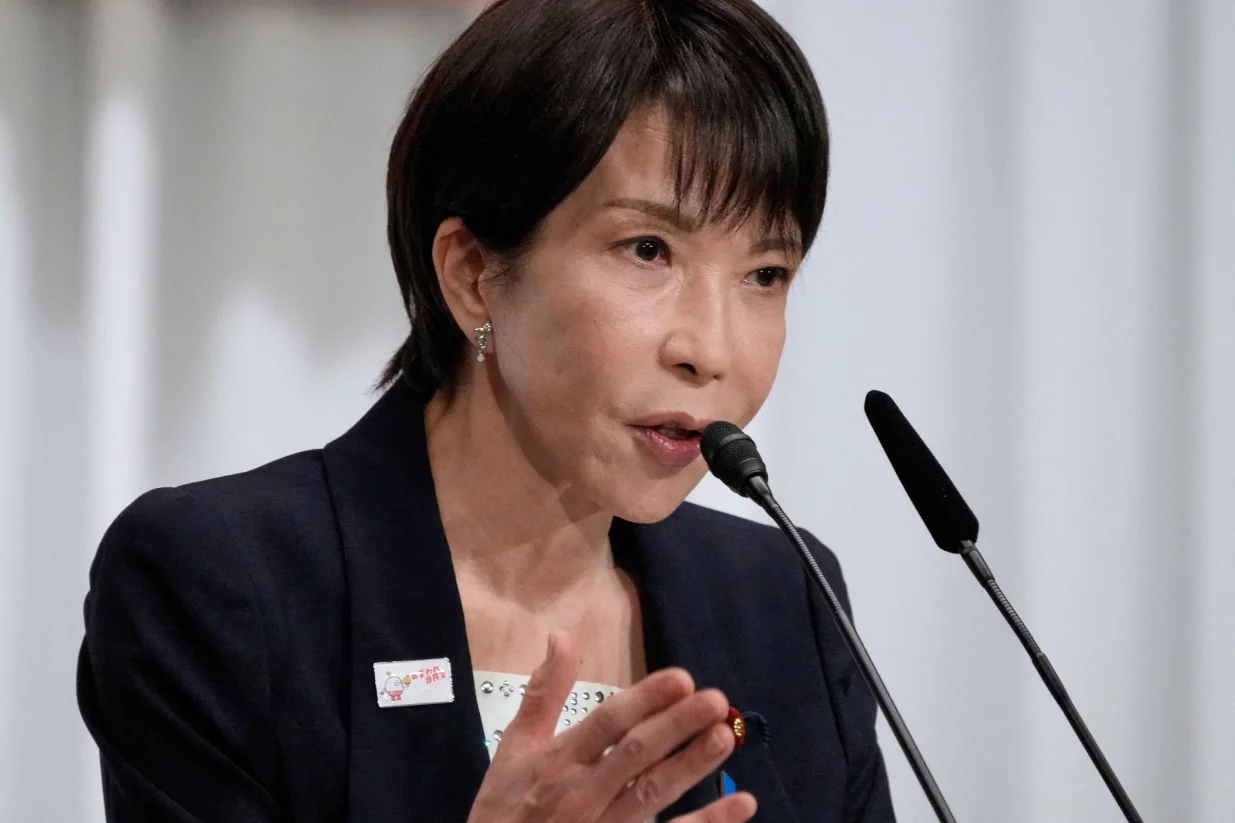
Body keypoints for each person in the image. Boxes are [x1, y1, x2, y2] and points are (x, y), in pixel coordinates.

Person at [75, 0, 895, 820]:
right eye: (648, 250)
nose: (710, 350)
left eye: (765, 273)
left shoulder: (788, 597)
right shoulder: (222, 586)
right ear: (472, 274)